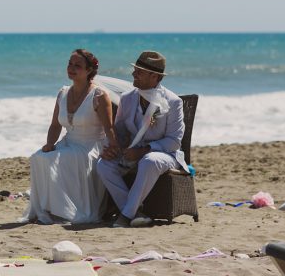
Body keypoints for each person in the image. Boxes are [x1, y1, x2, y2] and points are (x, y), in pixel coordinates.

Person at [19, 49, 119, 224]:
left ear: (89, 70)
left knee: (58, 159)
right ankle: (47, 209)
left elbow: (109, 127)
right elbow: (55, 125)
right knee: (38, 157)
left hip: (90, 146)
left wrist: (114, 149)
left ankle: (66, 211)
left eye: (77, 66)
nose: (71, 68)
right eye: (70, 64)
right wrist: (50, 144)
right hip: (68, 142)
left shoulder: (99, 95)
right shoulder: (63, 93)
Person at [96, 50, 189, 228]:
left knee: (149, 160)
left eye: (139, 71)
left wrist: (143, 150)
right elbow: (121, 131)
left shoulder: (173, 102)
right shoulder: (127, 98)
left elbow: (174, 141)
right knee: (103, 164)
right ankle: (135, 212)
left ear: (154, 77)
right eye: (135, 70)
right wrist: (112, 147)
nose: (133, 74)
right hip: (132, 152)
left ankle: (125, 215)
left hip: (164, 155)